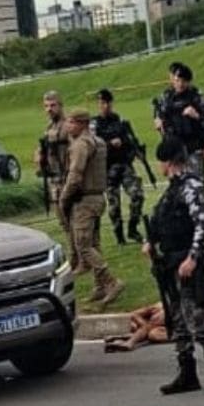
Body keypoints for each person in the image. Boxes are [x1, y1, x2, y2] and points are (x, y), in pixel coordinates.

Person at [144, 135, 204, 395]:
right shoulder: (173, 189)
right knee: (178, 321)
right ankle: (187, 373)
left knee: (195, 318)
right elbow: (163, 221)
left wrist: (192, 258)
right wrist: (151, 241)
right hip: (171, 264)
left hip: (186, 264)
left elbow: (203, 224)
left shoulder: (190, 186)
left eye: (161, 162)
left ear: (168, 162)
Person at [59, 109, 124, 306]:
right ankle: (99, 286)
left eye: (71, 122)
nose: (68, 126)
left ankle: (111, 282)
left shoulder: (81, 145)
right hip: (98, 197)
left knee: (83, 245)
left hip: (84, 200)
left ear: (82, 124)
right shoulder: (99, 142)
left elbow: (75, 175)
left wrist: (64, 197)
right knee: (94, 244)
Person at [92, 88, 145, 245]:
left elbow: (131, 139)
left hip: (124, 165)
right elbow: (93, 146)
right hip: (107, 169)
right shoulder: (94, 125)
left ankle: (133, 228)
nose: (105, 106)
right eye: (102, 103)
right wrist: (109, 144)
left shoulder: (120, 121)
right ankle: (119, 235)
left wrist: (135, 151)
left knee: (137, 195)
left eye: (107, 103)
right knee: (114, 206)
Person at [35, 90, 81, 270]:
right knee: (64, 222)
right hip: (54, 180)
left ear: (60, 105)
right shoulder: (48, 129)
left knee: (74, 222)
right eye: (46, 106)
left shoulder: (67, 127)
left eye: (53, 105)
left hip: (67, 178)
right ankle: (75, 256)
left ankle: (78, 257)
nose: (49, 109)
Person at [153, 62, 204, 180]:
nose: (180, 84)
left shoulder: (197, 97)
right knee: (177, 184)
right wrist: (158, 121)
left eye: (184, 81)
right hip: (174, 149)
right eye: (178, 80)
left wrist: (197, 116)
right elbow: (158, 114)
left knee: (197, 182)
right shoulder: (166, 97)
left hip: (193, 147)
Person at [104, 302, 168, 353]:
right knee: (151, 333)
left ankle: (128, 341)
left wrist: (146, 327)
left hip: (172, 332)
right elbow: (134, 314)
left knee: (153, 334)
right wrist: (143, 325)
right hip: (154, 329)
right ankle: (125, 339)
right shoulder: (157, 307)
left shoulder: (169, 310)